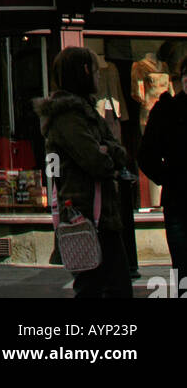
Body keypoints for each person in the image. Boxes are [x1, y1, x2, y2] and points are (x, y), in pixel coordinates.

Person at [35, 47, 133, 299]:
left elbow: (118, 151)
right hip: (87, 215)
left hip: (99, 214)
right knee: (100, 287)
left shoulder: (84, 111)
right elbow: (97, 161)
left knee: (105, 286)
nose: (99, 78)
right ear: (85, 71)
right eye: (96, 71)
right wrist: (108, 153)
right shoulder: (69, 116)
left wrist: (108, 150)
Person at [138, 53, 187, 278]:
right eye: (186, 75)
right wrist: (170, 177)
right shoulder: (167, 109)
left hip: (176, 198)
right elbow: (146, 155)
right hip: (179, 201)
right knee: (183, 268)